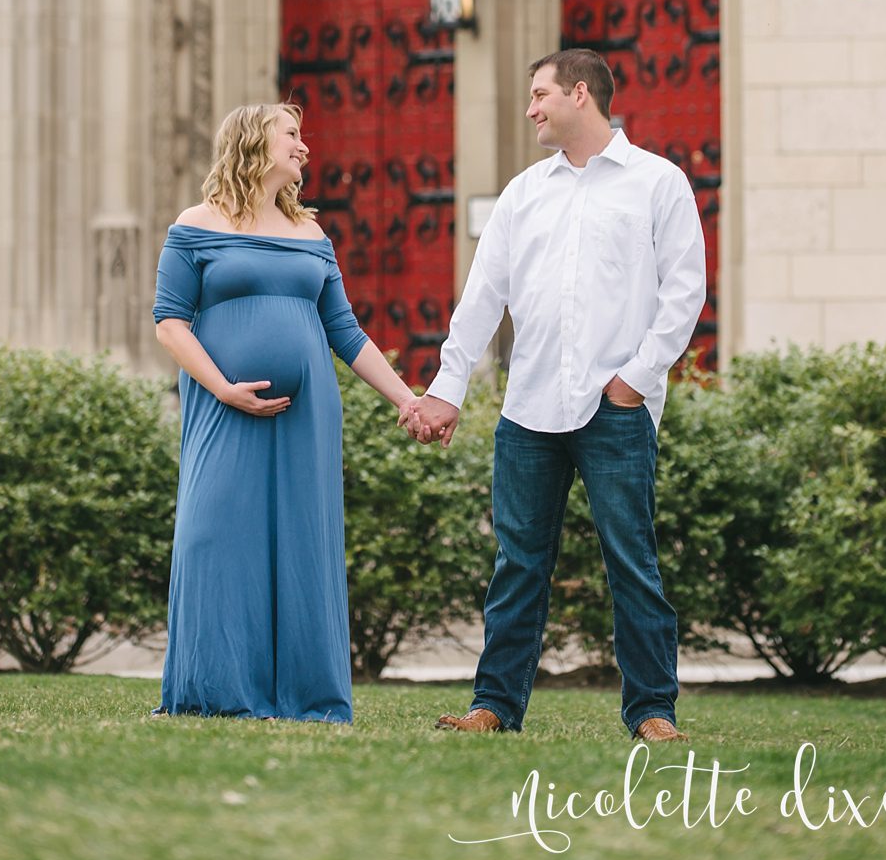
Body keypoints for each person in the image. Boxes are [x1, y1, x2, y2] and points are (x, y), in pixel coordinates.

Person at [410, 49, 707, 743]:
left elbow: (685, 291)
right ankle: (493, 705)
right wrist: (447, 388)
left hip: (616, 409)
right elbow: (483, 297)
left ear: (581, 93)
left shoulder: (658, 184)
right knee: (517, 564)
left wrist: (636, 378)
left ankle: (652, 711)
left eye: (540, 93)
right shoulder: (523, 193)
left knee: (631, 561)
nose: (531, 107)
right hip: (529, 410)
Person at [153, 102, 421, 720]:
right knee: (214, 535)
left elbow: (346, 332)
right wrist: (223, 388)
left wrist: (407, 398)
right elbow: (170, 324)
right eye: (293, 135)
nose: (304, 147)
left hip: (309, 416)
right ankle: (216, 692)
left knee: (304, 541)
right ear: (253, 143)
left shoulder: (312, 236)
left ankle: (308, 697)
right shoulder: (196, 225)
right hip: (224, 407)